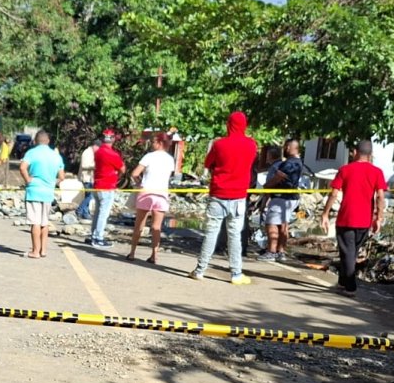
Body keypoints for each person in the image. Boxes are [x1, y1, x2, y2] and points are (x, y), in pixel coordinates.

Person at [190, 111, 258, 285]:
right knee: (234, 235)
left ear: (229, 124)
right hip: (239, 196)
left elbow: (208, 163)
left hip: (218, 193)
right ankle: (236, 273)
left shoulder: (219, 144)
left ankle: (200, 270)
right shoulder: (251, 145)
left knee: (211, 232)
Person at [321, 139, 387, 297]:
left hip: (346, 218)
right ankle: (342, 283)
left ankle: (350, 287)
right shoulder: (377, 172)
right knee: (351, 252)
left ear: (355, 152)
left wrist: (325, 213)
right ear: (370, 155)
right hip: (365, 220)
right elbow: (380, 196)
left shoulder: (345, 170)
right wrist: (379, 217)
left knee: (347, 252)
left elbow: (334, 193)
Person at [126, 132, 174, 264]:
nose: (151, 144)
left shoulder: (148, 156)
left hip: (146, 191)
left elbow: (135, 173)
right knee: (156, 227)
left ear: (159, 143)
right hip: (161, 193)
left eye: (153, 142)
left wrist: (138, 182)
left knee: (139, 224)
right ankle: (154, 255)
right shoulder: (170, 159)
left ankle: (132, 252)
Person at [18, 129, 64, 259]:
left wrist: (28, 179)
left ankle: (35, 251)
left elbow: (22, 167)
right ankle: (43, 250)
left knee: (35, 222)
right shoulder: (56, 155)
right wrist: (51, 182)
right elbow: (61, 176)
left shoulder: (32, 153)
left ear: (35, 141)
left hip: (34, 190)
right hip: (48, 192)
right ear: (48, 141)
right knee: (44, 221)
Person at [258, 139, 304, 262]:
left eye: (285, 147)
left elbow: (279, 177)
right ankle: (281, 251)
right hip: (291, 198)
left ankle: (271, 252)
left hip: (280, 197)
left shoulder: (288, 163)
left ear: (288, 148)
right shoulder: (298, 162)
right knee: (284, 224)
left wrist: (267, 185)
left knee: (271, 224)